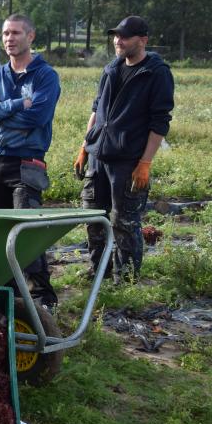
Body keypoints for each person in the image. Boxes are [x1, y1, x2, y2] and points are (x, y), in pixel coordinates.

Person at [74, 16, 174, 280]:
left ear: (143, 40)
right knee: (94, 217)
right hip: (99, 157)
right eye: (116, 36)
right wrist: (85, 147)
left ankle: (126, 278)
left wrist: (145, 163)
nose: (118, 41)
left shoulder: (156, 73)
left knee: (124, 222)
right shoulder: (111, 69)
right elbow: (97, 109)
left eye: (125, 36)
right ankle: (99, 271)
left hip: (128, 161)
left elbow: (160, 122)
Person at [0, 14, 61, 308]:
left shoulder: (44, 75)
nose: (9, 39)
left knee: (26, 232)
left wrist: (1, 118)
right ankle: (7, 293)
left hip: (27, 163)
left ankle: (42, 297)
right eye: (5, 34)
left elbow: (38, 115)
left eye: (15, 33)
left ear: (30, 36)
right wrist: (14, 106)